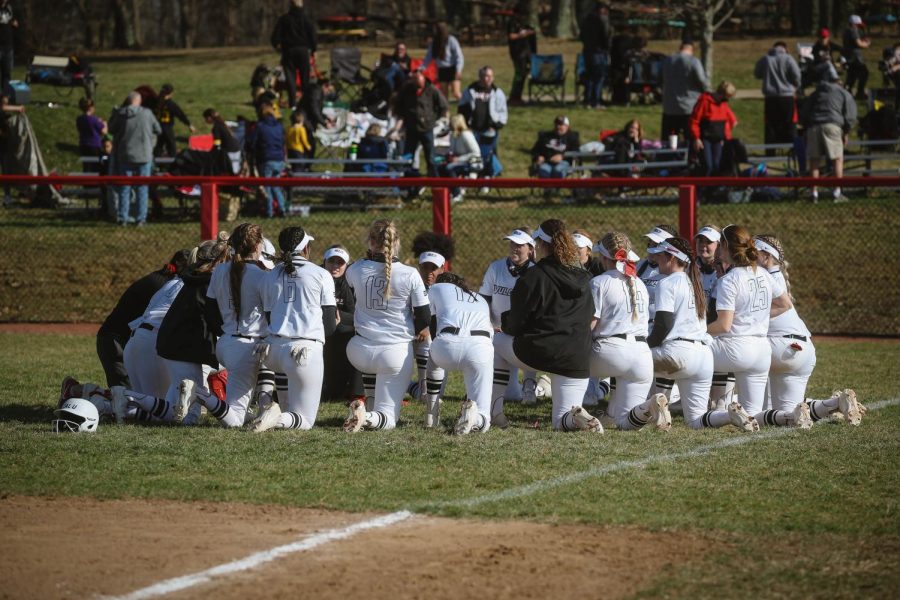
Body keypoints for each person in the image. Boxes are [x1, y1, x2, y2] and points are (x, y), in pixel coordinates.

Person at [493, 219, 600, 432]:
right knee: (561, 421)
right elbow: (589, 315)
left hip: (540, 351)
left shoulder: (533, 276)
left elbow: (515, 324)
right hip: (576, 356)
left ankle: (493, 411)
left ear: (541, 244)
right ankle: (577, 417)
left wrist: (504, 322)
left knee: (495, 341)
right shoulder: (585, 277)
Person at [342, 219, 432, 432]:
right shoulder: (409, 273)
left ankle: (367, 407)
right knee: (388, 419)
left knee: (375, 378)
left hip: (358, 350)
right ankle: (368, 416)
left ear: (371, 241)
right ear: (397, 241)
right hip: (394, 352)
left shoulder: (355, 269)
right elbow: (424, 317)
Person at [246, 226, 338, 432]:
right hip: (303, 350)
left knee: (294, 405)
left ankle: (275, 412)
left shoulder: (269, 276)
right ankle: (277, 418)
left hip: (272, 350)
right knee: (305, 421)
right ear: (305, 248)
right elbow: (330, 325)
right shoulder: (321, 274)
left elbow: (269, 316)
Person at [705, 224, 793, 430]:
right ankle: (791, 416)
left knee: (693, 350)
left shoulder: (728, 280)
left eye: (720, 245)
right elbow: (785, 304)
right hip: (762, 352)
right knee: (752, 415)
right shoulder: (763, 274)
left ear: (725, 246)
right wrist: (755, 316)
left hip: (735, 350)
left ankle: (697, 410)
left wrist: (698, 330)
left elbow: (724, 326)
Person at [590, 231, 668, 431]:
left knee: (566, 364)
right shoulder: (639, 283)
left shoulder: (599, 282)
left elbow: (590, 324)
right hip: (642, 356)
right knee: (625, 424)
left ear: (604, 256)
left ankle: (567, 411)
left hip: (609, 352)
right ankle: (649, 405)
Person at [154, 235, 230, 426]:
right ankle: (197, 393)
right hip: (184, 347)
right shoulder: (208, 283)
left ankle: (121, 398)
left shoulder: (194, 277)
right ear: (220, 261)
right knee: (191, 408)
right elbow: (214, 319)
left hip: (170, 343)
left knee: (170, 410)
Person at [644, 237, 717, 430]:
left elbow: (663, 325)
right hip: (704, 356)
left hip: (678, 354)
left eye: (660, 256)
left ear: (671, 258)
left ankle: (628, 412)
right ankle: (729, 415)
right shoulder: (695, 282)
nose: (656, 259)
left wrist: (644, 345)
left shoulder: (667, 283)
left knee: (630, 357)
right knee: (696, 421)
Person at [93, 250, 189, 390]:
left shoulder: (165, 280)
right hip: (115, 341)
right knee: (126, 398)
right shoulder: (165, 285)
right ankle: (79, 391)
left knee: (138, 398)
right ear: (180, 263)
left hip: (128, 340)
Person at [422, 272, 494, 434]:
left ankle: (431, 412)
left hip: (448, 343)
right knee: (484, 416)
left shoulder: (436, 288)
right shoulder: (479, 297)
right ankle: (475, 418)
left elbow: (432, 326)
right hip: (480, 347)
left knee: (433, 351)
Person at [753, 235, 815, 424]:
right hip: (805, 350)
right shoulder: (775, 276)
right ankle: (832, 404)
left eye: (753, 253)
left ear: (765, 257)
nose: (748, 257)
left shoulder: (763, 278)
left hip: (779, 347)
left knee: (757, 412)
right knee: (789, 414)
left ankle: (717, 406)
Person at [480, 228, 540, 419]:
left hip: (524, 333)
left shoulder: (537, 272)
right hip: (498, 332)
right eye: (512, 243)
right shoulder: (496, 267)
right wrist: (489, 325)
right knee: (511, 395)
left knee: (530, 348)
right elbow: (484, 299)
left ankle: (531, 385)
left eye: (520, 245)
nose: (514, 248)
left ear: (530, 249)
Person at [800, 64, 857, 203]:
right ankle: (837, 192)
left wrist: (807, 126)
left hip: (814, 127)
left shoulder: (816, 93)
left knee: (814, 161)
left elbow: (804, 112)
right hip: (833, 126)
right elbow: (850, 115)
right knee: (837, 159)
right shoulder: (843, 93)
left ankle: (814, 193)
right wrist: (846, 131)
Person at [108, 91, 162, 226]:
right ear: (139, 101)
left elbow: (111, 129)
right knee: (142, 188)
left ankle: (123, 217)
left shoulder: (121, 114)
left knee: (124, 188)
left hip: (125, 155)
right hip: (144, 156)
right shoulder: (147, 114)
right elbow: (158, 129)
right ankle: (141, 218)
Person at [321, 245, 363, 402]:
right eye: (332, 261)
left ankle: (355, 390)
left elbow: (355, 316)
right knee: (331, 393)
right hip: (323, 331)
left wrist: (333, 315)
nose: (335, 266)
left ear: (347, 265)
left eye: (340, 262)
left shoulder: (350, 282)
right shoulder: (317, 277)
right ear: (324, 262)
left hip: (345, 332)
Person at [458, 66, 508, 179]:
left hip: (489, 130)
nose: (487, 79)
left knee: (488, 155)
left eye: (489, 76)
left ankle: (489, 176)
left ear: (493, 78)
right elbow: (462, 109)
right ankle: (474, 174)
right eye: (484, 76)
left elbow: (502, 112)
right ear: (480, 77)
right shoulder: (470, 90)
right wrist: (466, 126)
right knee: (473, 154)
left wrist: (496, 126)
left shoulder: (497, 92)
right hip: (473, 129)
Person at [395, 71, 448, 177]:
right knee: (408, 155)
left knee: (430, 156)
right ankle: (408, 178)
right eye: (415, 82)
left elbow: (443, 105)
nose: (417, 85)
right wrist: (404, 118)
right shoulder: (406, 90)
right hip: (411, 128)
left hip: (427, 128)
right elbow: (398, 104)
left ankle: (433, 178)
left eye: (419, 82)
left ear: (423, 80)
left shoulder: (432, 90)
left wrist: (434, 119)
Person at [754, 42, 801, 151]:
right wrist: (795, 86)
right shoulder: (788, 59)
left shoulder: (766, 59)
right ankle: (793, 150)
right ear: (785, 48)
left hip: (770, 98)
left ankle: (770, 151)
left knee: (770, 125)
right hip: (787, 97)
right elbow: (797, 75)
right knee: (790, 124)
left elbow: (757, 73)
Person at [271, 0, 317, 109]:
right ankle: (305, 101)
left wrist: (277, 46)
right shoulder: (307, 20)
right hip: (303, 50)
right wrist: (313, 50)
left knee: (290, 77)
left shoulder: (284, 19)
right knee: (304, 77)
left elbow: (275, 37)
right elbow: (313, 36)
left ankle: (293, 103)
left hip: (288, 50)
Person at [661, 41, 709, 144]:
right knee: (690, 137)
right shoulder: (693, 61)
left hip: (669, 106)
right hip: (689, 106)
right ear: (691, 50)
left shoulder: (667, 60)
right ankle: (690, 157)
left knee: (670, 138)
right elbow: (702, 80)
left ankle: (668, 156)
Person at [689, 81, 738, 177]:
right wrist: (696, 138)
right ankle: (703, 188)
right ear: (722, 95)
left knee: (717, 165)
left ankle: (713, 188)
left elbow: (730, 122)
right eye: (728, 97)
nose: (727, 100)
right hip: (705, 139)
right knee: (708, 166)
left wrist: (726, 138)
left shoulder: (723, 104)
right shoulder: (704, 102)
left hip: (718, 140)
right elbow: (694, 121)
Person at [248, 101, 287, 217]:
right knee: (275, 185)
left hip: (267, 159)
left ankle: (269, 211)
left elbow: (252, 142)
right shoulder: (279, 126)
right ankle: (282, 208)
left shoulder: (260, 126)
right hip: (279, 159)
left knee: (267, 186)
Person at [579, 2, 613, 109]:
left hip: (587, 51)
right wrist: (607, 47)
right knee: (599, 77)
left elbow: (581, 36)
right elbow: (606, 36)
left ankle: (587, 100)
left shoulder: (586, 20)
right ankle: (596, 100)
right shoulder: (603, 20)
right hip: (599, 52)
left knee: (589, 76)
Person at [443, 114, 482, 203]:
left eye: (451, 123)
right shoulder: (453, 135)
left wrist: (458, 159)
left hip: (472, 162)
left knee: (450, 168)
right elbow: (451, 150)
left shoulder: (466, 135)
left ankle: (457, 194)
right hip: (459, 161)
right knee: (441, 166)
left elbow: (476, 153)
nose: (449, 125)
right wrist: (449, 156)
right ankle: (449, 191)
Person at [422, 21, 465, 101]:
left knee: (456, 93)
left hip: (453, 69)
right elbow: (428, 57)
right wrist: (422, 68)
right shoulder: (434, 42)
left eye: (437, 29)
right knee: (444, 96)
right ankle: (446, 113)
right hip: (442, 70)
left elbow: (459, 56)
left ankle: (468, 107)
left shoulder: (451, 40)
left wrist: (458, 70)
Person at [154, 83, 196, 158]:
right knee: (171, 146)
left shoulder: (156, 102)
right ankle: (172, 163)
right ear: (171, 93)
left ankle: (156, 162)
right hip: (167, 128)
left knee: (159, 145)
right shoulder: (170, 104)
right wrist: (189, 124)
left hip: (157, 127)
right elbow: (180, 114)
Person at [506, 6, 536, 105]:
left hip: (525, 53)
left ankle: (517, 96)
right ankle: (514, 97)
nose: (522, 17)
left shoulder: (524, 24)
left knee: (523, 75)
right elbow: (511, 36)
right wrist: (523, 34)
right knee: (519, 74)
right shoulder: (512, 23)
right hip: (517, 53)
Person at [202, 108, 242, 174]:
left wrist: (211, 153)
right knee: (235, 171)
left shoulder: (216, 127)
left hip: (230, 151)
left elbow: (217, 144)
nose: (205, 121)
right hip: (236, 149)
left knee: (231, 171)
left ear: (209, 118)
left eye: (205, 118)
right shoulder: (223, 124)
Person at [842, 15, 870, 100]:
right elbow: (858, 43)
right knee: (864, 73)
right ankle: (860, 92)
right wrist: (867, 44)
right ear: (854, 24)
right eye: (858, 25)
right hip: (855, 57)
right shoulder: (853, 30)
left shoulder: (846, 31)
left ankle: (847, 92)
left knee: (852, 74)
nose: (859, 27)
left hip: (848, 55)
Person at [75, 98, 107, 164]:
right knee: (102, 160)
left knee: (86, 165)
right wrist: (104, 123)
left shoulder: (79, 119)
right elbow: (104, 132)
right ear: (91, 108)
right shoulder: (94, 120)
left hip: (83, 145)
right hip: (94, 146)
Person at [0, 0, 17, 96]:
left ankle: (5, 97)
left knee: (7, 73)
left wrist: (14, 24)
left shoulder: (9, 7)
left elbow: (14, 22)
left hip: (8, 45)